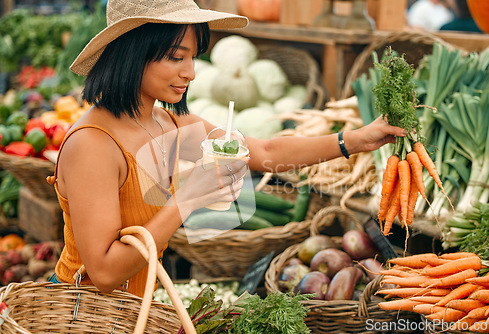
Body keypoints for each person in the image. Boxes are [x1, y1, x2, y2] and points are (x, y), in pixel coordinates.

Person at [47, 0, 408, 298]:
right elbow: (106, 272)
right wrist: (189, 198)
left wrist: (356, 140)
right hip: (83, 314)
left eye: (194, 57)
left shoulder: (169, 124)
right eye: (176, 57)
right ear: (133, 53)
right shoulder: (92, 145)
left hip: (135, 314)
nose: (190, 73)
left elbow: (265, 150)